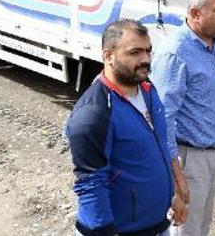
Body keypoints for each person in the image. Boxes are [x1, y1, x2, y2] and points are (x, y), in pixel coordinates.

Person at [66, 19, 185, 235]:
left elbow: (160, 147)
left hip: (157, 225)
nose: (146, 59)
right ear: (108, 56)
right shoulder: (94, 113)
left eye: (149, 51)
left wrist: (174, 191)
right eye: (135, 52)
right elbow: (91, 185)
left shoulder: (148, 90)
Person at [151, 0, 215, 236]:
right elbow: (163, 119)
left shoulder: (214, 43)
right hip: (188, 158)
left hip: (210, 156)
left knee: (201, 227)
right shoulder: (176, 53)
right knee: (186, 230)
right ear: (194, 13)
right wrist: (176, 175)